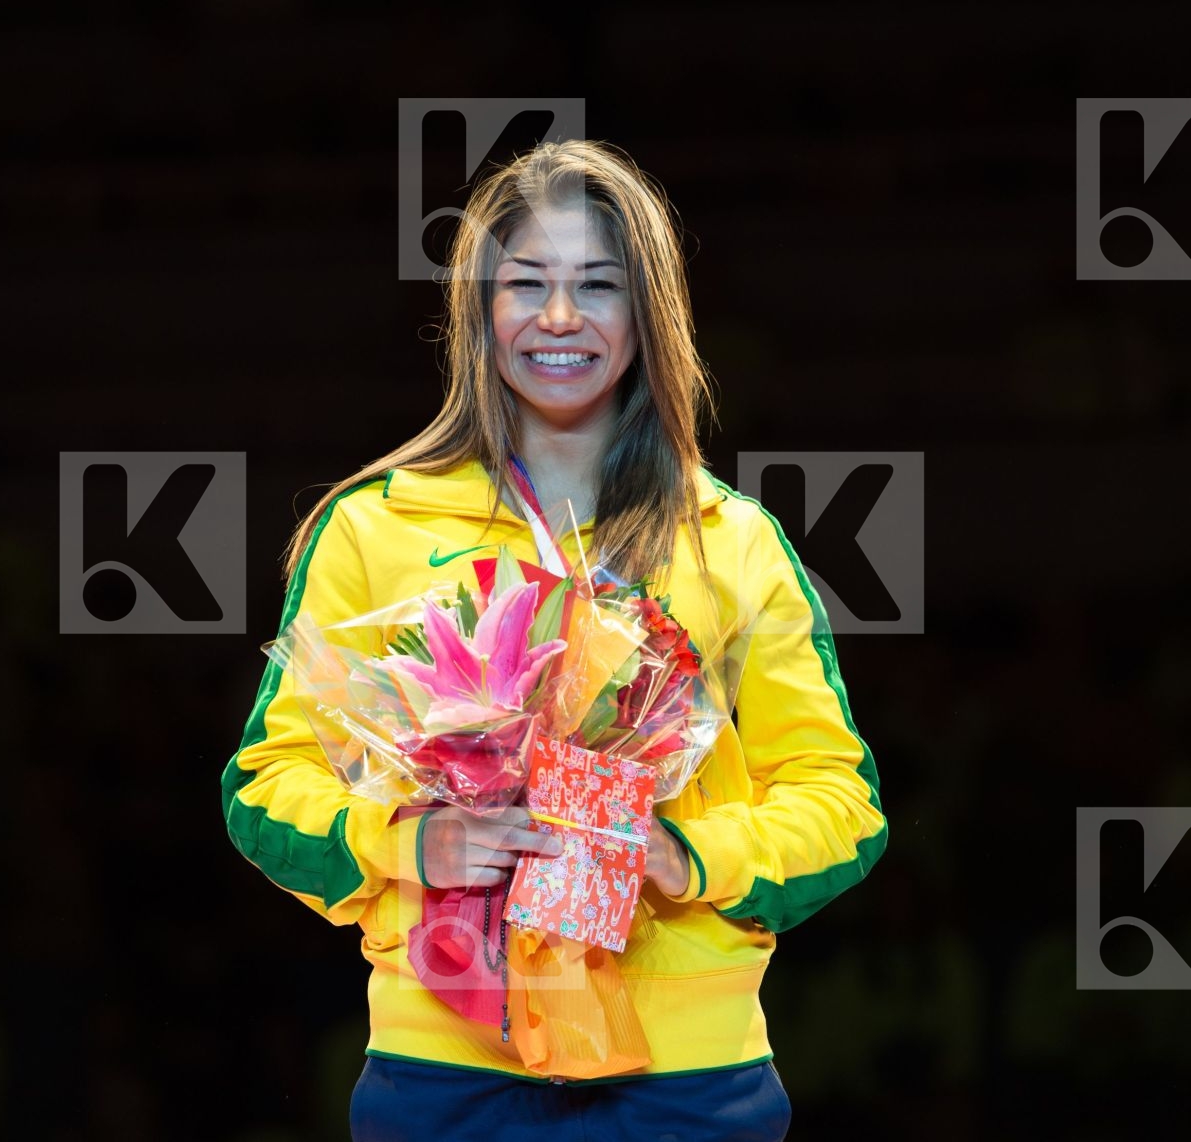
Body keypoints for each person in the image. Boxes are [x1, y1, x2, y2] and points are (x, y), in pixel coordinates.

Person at [221, 139, 886, 1141]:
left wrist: (687, 855)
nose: (561, 317)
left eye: (599, 286)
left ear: (647, 313)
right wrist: (414, 843)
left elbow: (846, 806)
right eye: (526, 283)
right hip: (447, 1061)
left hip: (687, 1071)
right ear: (480, 311)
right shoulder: (372, 525)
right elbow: (265, 789)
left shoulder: (734, 542)